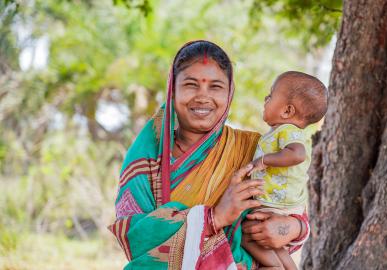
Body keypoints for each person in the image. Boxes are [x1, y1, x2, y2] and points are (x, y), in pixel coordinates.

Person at [109, 40, 310, 270]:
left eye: (215, 87)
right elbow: (133, 236)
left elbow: (294, 210)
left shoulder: (253, 150)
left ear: (229, 92)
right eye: (191, 85)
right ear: (172, 90)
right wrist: (214, 218)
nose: (202, 97)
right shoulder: (148, 156)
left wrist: (291, 228)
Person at [241, 71, 328, 269]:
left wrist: (264, 160)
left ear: (287, 111)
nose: (265, 99)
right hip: (283, 204)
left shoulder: (288, 131)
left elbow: (298, 154)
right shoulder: (284, 132)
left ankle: (275, 267)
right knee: (271, 242)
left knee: (248, 234)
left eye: (271, 96)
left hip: (277, 203)